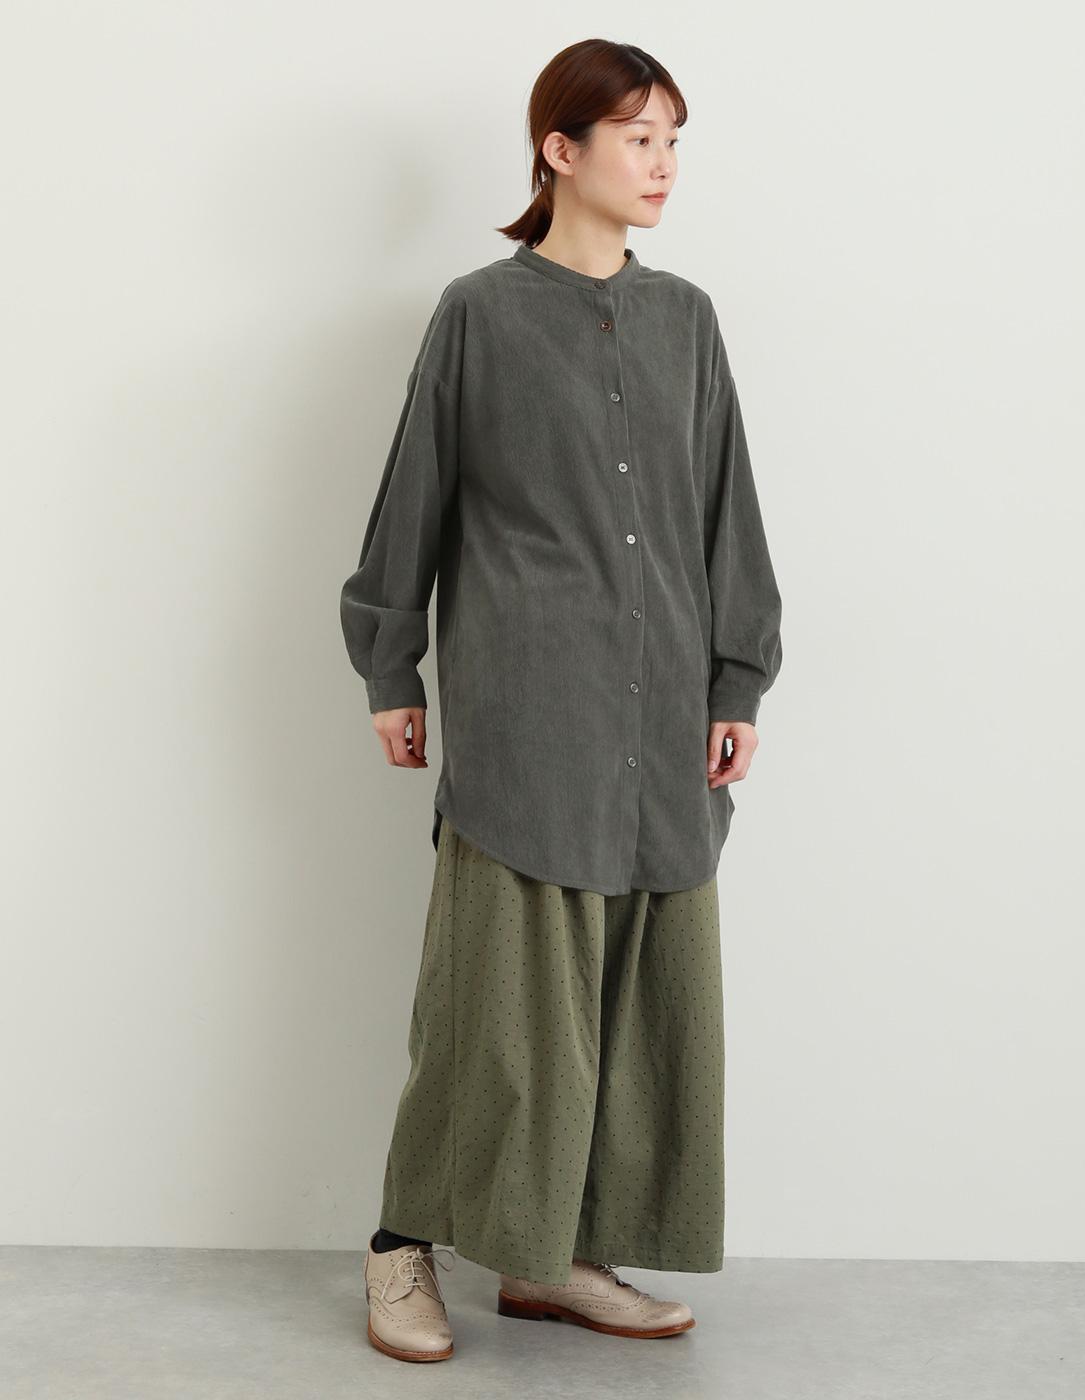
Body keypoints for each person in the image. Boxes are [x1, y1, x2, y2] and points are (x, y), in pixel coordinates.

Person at [340, 38, 783, 1364]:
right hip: (528, 716)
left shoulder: (686, 319)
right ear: (560, 149)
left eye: (674, 140)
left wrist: (737, 677)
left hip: (661, 723)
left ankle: (553, 1262)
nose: (664, 165)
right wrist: (391, 667)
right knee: (495, 1010)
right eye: (639, 137)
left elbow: (727, 513)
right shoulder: (480, 314)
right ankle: (400, 1249)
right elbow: (415, 494)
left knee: (632, 1014)